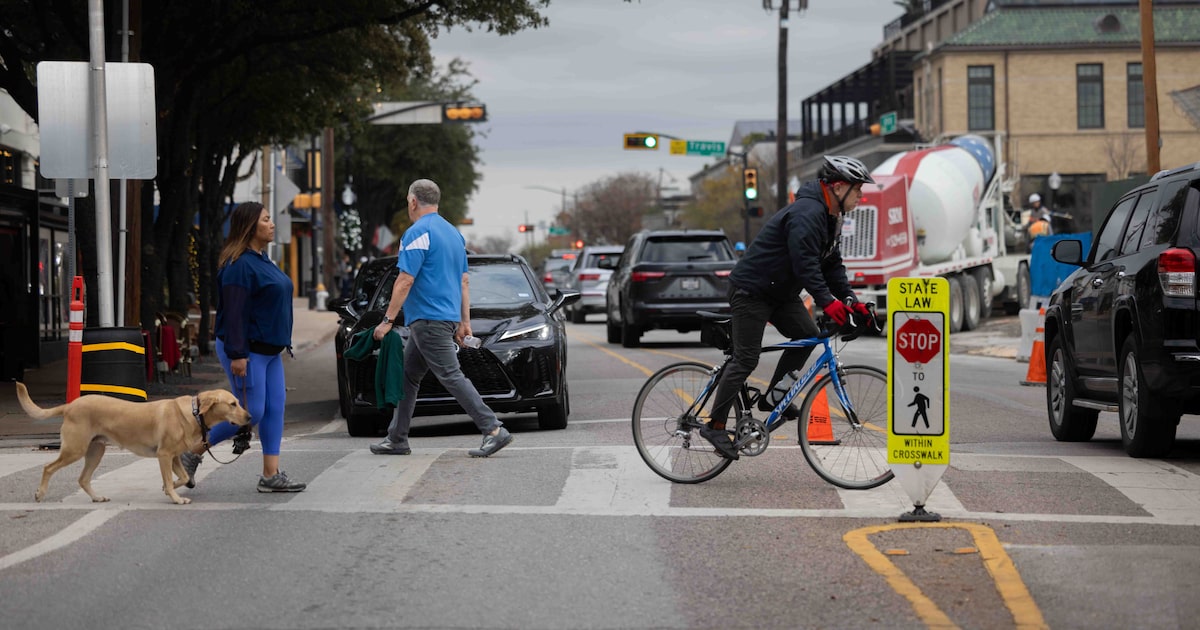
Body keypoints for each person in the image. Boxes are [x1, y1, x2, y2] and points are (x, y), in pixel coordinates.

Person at [702, 155, 874, 460]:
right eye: (858, 189)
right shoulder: (808, 213)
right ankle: (715, 425)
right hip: (752, 290)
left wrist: (850, 300)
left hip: (779, 293)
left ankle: (773, 397)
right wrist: (827, 302)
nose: (861, 195)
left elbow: (832, 265)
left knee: (807, 335)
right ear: (838, 186)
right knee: (746, 358)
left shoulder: (831, 216)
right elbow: (805, 264)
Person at [369, 179, 513, 458]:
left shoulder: (416, 233)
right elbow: (464, 281)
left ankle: (493, 429)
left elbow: (405, 280)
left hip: (428, 318)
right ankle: (397, 438)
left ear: (413, 202)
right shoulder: (453, 234)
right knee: (409, 378)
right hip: (443, 317)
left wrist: (387, 321)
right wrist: (464, 322)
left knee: (450, 374)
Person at [180, 202, 307, 493]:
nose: (272, 224)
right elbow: (234, 314)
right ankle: (191, 451)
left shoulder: (261, 260)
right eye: (266, 220)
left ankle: (270, 475)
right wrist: (238, 354)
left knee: (275, 409)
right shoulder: (239, 266)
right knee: (252, 412)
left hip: (270, 351)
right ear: (251, 226)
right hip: (246, 351)